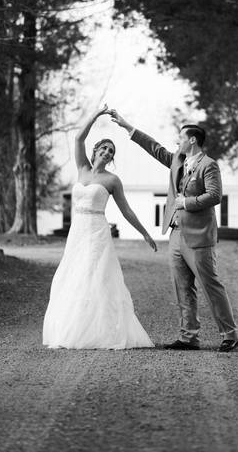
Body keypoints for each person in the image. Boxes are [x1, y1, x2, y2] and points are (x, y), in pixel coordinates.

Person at [110, 110, 238, 353]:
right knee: (183, 288)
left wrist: (186, 202)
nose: (177, 142)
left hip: (199, 237)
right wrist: (127, 126)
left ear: (192, 140)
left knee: (210, 285)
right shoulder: (177, 161)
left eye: (180, 137)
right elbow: (155, 148)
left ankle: (231, 335)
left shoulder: (209, 165)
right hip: (175, 234)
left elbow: (215, 196)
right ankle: (188, 337)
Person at [42, 105, 157, 350]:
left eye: (111, 151)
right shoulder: (82, 168)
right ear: (95, 151)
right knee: (73, 275)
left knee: (95, 276)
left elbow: (126, 210)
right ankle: (73, 327)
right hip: (77, 231)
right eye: (103, 148)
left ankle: (102, 331)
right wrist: (95, 115)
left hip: (96, 231)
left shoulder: (112, 180)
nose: (106, 152)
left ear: (111, 158)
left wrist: (145, 233)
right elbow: (78, 137)